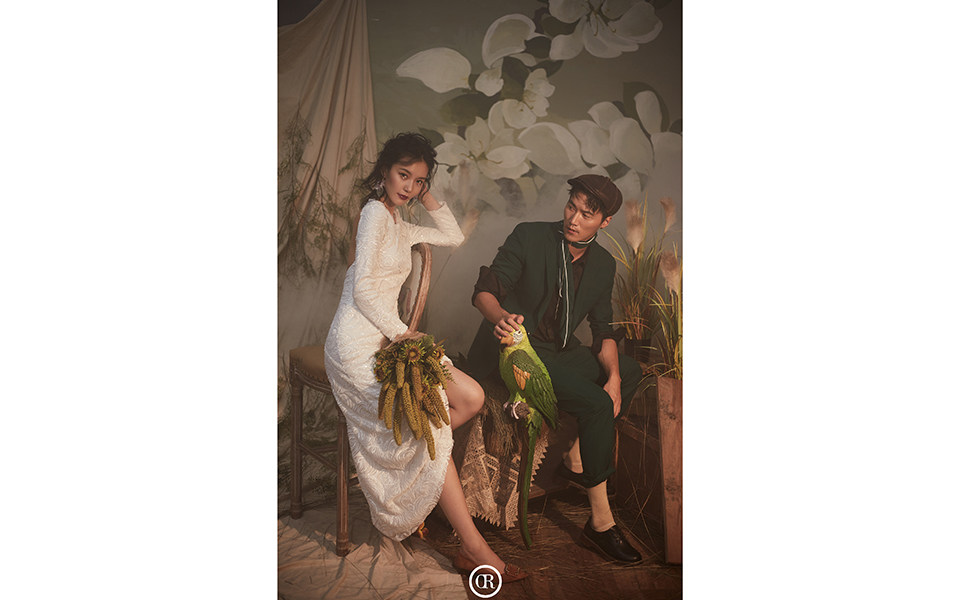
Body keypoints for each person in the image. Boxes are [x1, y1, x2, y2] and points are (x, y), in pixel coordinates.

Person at [324, 132, 528, 582]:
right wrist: (402, 333)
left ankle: (411, 459)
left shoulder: (401, 223)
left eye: (418, 181)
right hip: (356, 345)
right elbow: (362, 290)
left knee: (471, 396)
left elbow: (453, 235)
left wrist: (426, 191)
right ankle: (474, 548)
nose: (409, 186)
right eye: (403, 175)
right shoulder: (374, 214)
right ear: (384, 171)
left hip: (388, 339)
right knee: (432, 425)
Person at [467, 174, 646, 564]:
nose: (573, 219)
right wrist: (500, 318)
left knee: (629, 371)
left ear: (605, 222)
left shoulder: (603, 264)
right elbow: (486, 290)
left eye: (586, 214)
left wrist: (615, 378)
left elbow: (603, 331)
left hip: (559, 351)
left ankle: (576, 458)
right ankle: (600, 524)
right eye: (571, 207)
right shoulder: (529, 236)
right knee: (597, 404)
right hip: (518, 351)